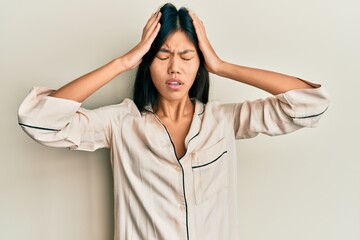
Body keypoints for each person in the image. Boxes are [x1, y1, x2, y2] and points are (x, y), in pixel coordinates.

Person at [18, 3, 330, 240]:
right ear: (146, 61)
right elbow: (37, 120)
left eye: (187, 56)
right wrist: (122, 62)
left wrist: (222, 65)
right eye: (163, 55)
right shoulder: (122, 123)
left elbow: (311, 104)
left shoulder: (224, 120)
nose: (174, 69)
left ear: (201, 62)